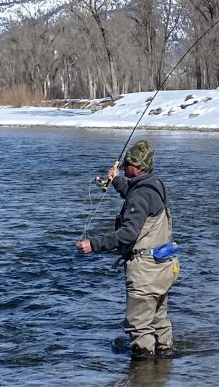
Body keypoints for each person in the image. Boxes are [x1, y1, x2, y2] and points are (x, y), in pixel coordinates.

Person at [76, 140, 180, 359]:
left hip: (145, 273)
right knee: (159, 319)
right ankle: (165, 364)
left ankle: (142, 373)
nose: (123, 167)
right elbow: (133, 194)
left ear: (138, 166)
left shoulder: (139, 196)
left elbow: (128, 234)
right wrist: (116, 181)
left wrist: (93, 244)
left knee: (139, 327)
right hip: (163, 268)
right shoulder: (155, 185)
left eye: (127, 164)